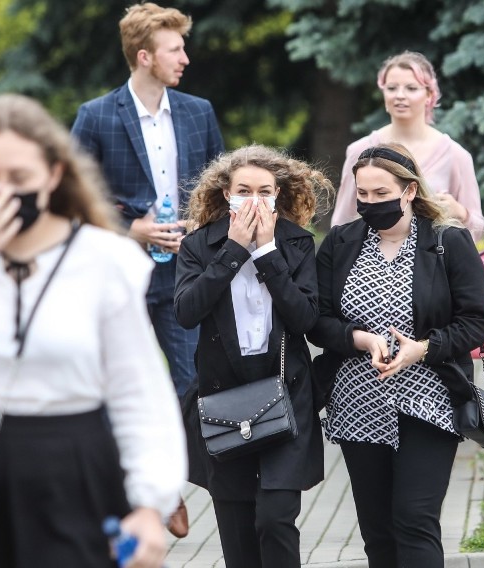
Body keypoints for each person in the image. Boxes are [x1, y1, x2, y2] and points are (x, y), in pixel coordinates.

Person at [0, 94, 186, 568]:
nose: (1, 191)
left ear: (54, 174)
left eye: (19, 178)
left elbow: (140, 393)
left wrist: (150, 505)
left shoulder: (103, 260)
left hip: (73, 468)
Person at [308, 143, 484, 568]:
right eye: (363, 194)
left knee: (415, 519)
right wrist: (361, 340)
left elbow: (476, 322)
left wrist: (422, 349)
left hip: (430, 399)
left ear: (409, 191)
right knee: (377, 530)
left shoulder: (448, 241)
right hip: (358, 404)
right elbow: (317, 319)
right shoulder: (340, 242)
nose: (370, 203)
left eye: (381, 193)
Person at [174, 144, 331, 568]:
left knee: (276, 519)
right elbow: (187, 311)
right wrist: (234, 251)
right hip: (223, 398)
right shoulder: (199, 245)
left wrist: (266, 253)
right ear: (227, 194)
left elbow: (304, 318)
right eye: (245, 190)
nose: (255, 200)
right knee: (238, 528)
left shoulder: (296, 244)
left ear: (277, 194)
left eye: (265, 191)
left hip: (285, 393)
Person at [71, 2, 225, 401]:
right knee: (118, 386)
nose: (185, 58)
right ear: (145, 57)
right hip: (121, 273)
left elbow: (218, 191)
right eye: (174, 49)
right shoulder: (96, 116)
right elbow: (73, 199)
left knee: (193, 382)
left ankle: (186, 465)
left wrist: (200, 225)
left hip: (185, 271)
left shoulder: (199, 112)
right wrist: (131, 230)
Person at [330, 51, 484, 241]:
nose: (400, 96)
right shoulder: (360, 150)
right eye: (392, 88)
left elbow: (478, 231)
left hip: (436, 264)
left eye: (411, 88)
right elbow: (342, 222)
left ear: (429, 95)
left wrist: (460, 212)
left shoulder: (456, 155)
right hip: (373, 263)